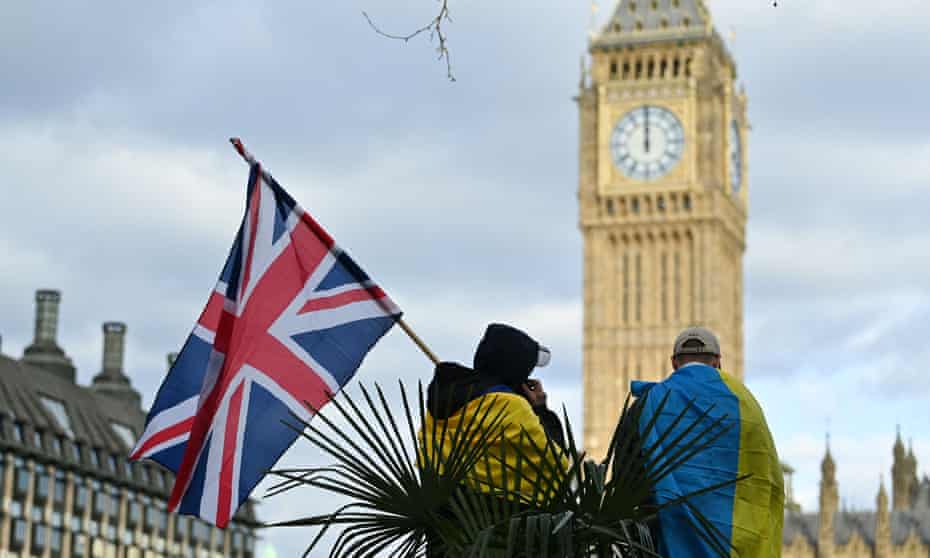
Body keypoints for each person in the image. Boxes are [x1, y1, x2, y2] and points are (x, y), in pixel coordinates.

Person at [630, 326, 784, 558]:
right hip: (734, 541)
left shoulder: (649, 401)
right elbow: (768, 478)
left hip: (664, 540)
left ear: (674, 362)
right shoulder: (746, 404)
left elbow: (628, 473)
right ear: (717, 362)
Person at [421, 323, 567, 500]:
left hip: (445, 514)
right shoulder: (510, 406)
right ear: (517, 369)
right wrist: (541, 410)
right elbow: (556, 463)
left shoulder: (440, 401)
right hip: (499, 515)